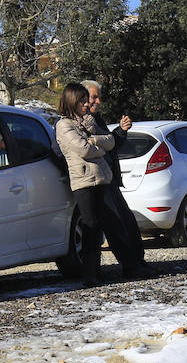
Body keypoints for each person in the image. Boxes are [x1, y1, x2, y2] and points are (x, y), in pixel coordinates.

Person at [55, 83, 136, 287]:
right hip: (83, 181)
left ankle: (96, 271)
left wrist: (94, 141)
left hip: (101, 178)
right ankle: (89, 274)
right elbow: (84, 150)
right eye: (82, 101)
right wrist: (97, 146)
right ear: (72, 101)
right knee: (89, 224)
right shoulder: (64, 125)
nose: (86, 105)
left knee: (97, 227)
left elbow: (110, 142)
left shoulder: (89, 121)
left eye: (86, 100)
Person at [81, 80, 156, 278]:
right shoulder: (77, 121)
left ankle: (138, 261)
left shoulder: (97, 119)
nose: (97, 101)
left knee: (127, 220)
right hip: (96, 180)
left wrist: (121, 132)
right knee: (115, 225)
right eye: (93, 97)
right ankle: (130, 265)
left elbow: (110, 144)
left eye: (99, 97)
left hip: (109, 177)